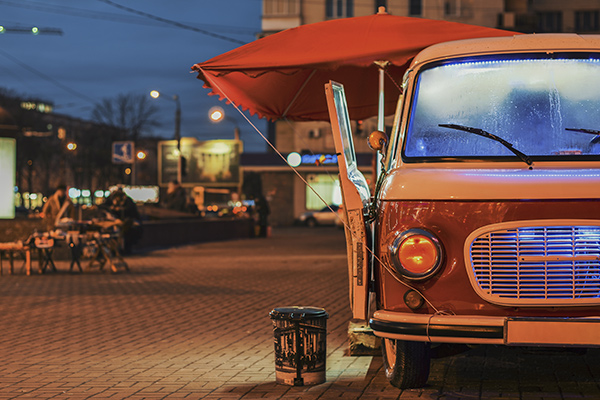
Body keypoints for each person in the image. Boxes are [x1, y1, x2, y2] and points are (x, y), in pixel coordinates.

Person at [101, 187, 142, 254]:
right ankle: (116, 249)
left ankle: (125, 249)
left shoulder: (127, 201)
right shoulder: (112, 200)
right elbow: (104, 205)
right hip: (117, 221)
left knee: (127, 233)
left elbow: (130, 211)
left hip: (129, 222)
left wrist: (119, 209)